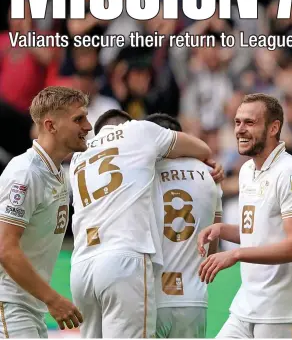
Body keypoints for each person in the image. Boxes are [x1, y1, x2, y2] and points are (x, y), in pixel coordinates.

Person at [68, 108, 220, 338]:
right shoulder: (142, 136)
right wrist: (205, 162)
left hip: (82, 265)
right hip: (173, 287)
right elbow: (212, 246)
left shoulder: (79, 158)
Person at [197, 93, 292, 338]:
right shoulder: (247, 170)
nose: (240, 130)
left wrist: (236, 254)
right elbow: (260, 234)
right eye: (237, 122)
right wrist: (223, 230)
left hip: (283, 313)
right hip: (247, 306)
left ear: (274, 128)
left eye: (249, 123)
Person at [0, 87, 90, 337]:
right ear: (51, 126)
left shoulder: (56, 172)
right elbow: (6, 249)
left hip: (29, 308)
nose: (88, 126)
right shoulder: (25, 173)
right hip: (8, 306)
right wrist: (53, 300)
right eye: (78, 119)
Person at [145, 113, 224, 338]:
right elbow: (213, 246)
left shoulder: (143, 172)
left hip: (151, 297)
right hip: (194, 299)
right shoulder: (210, 175)